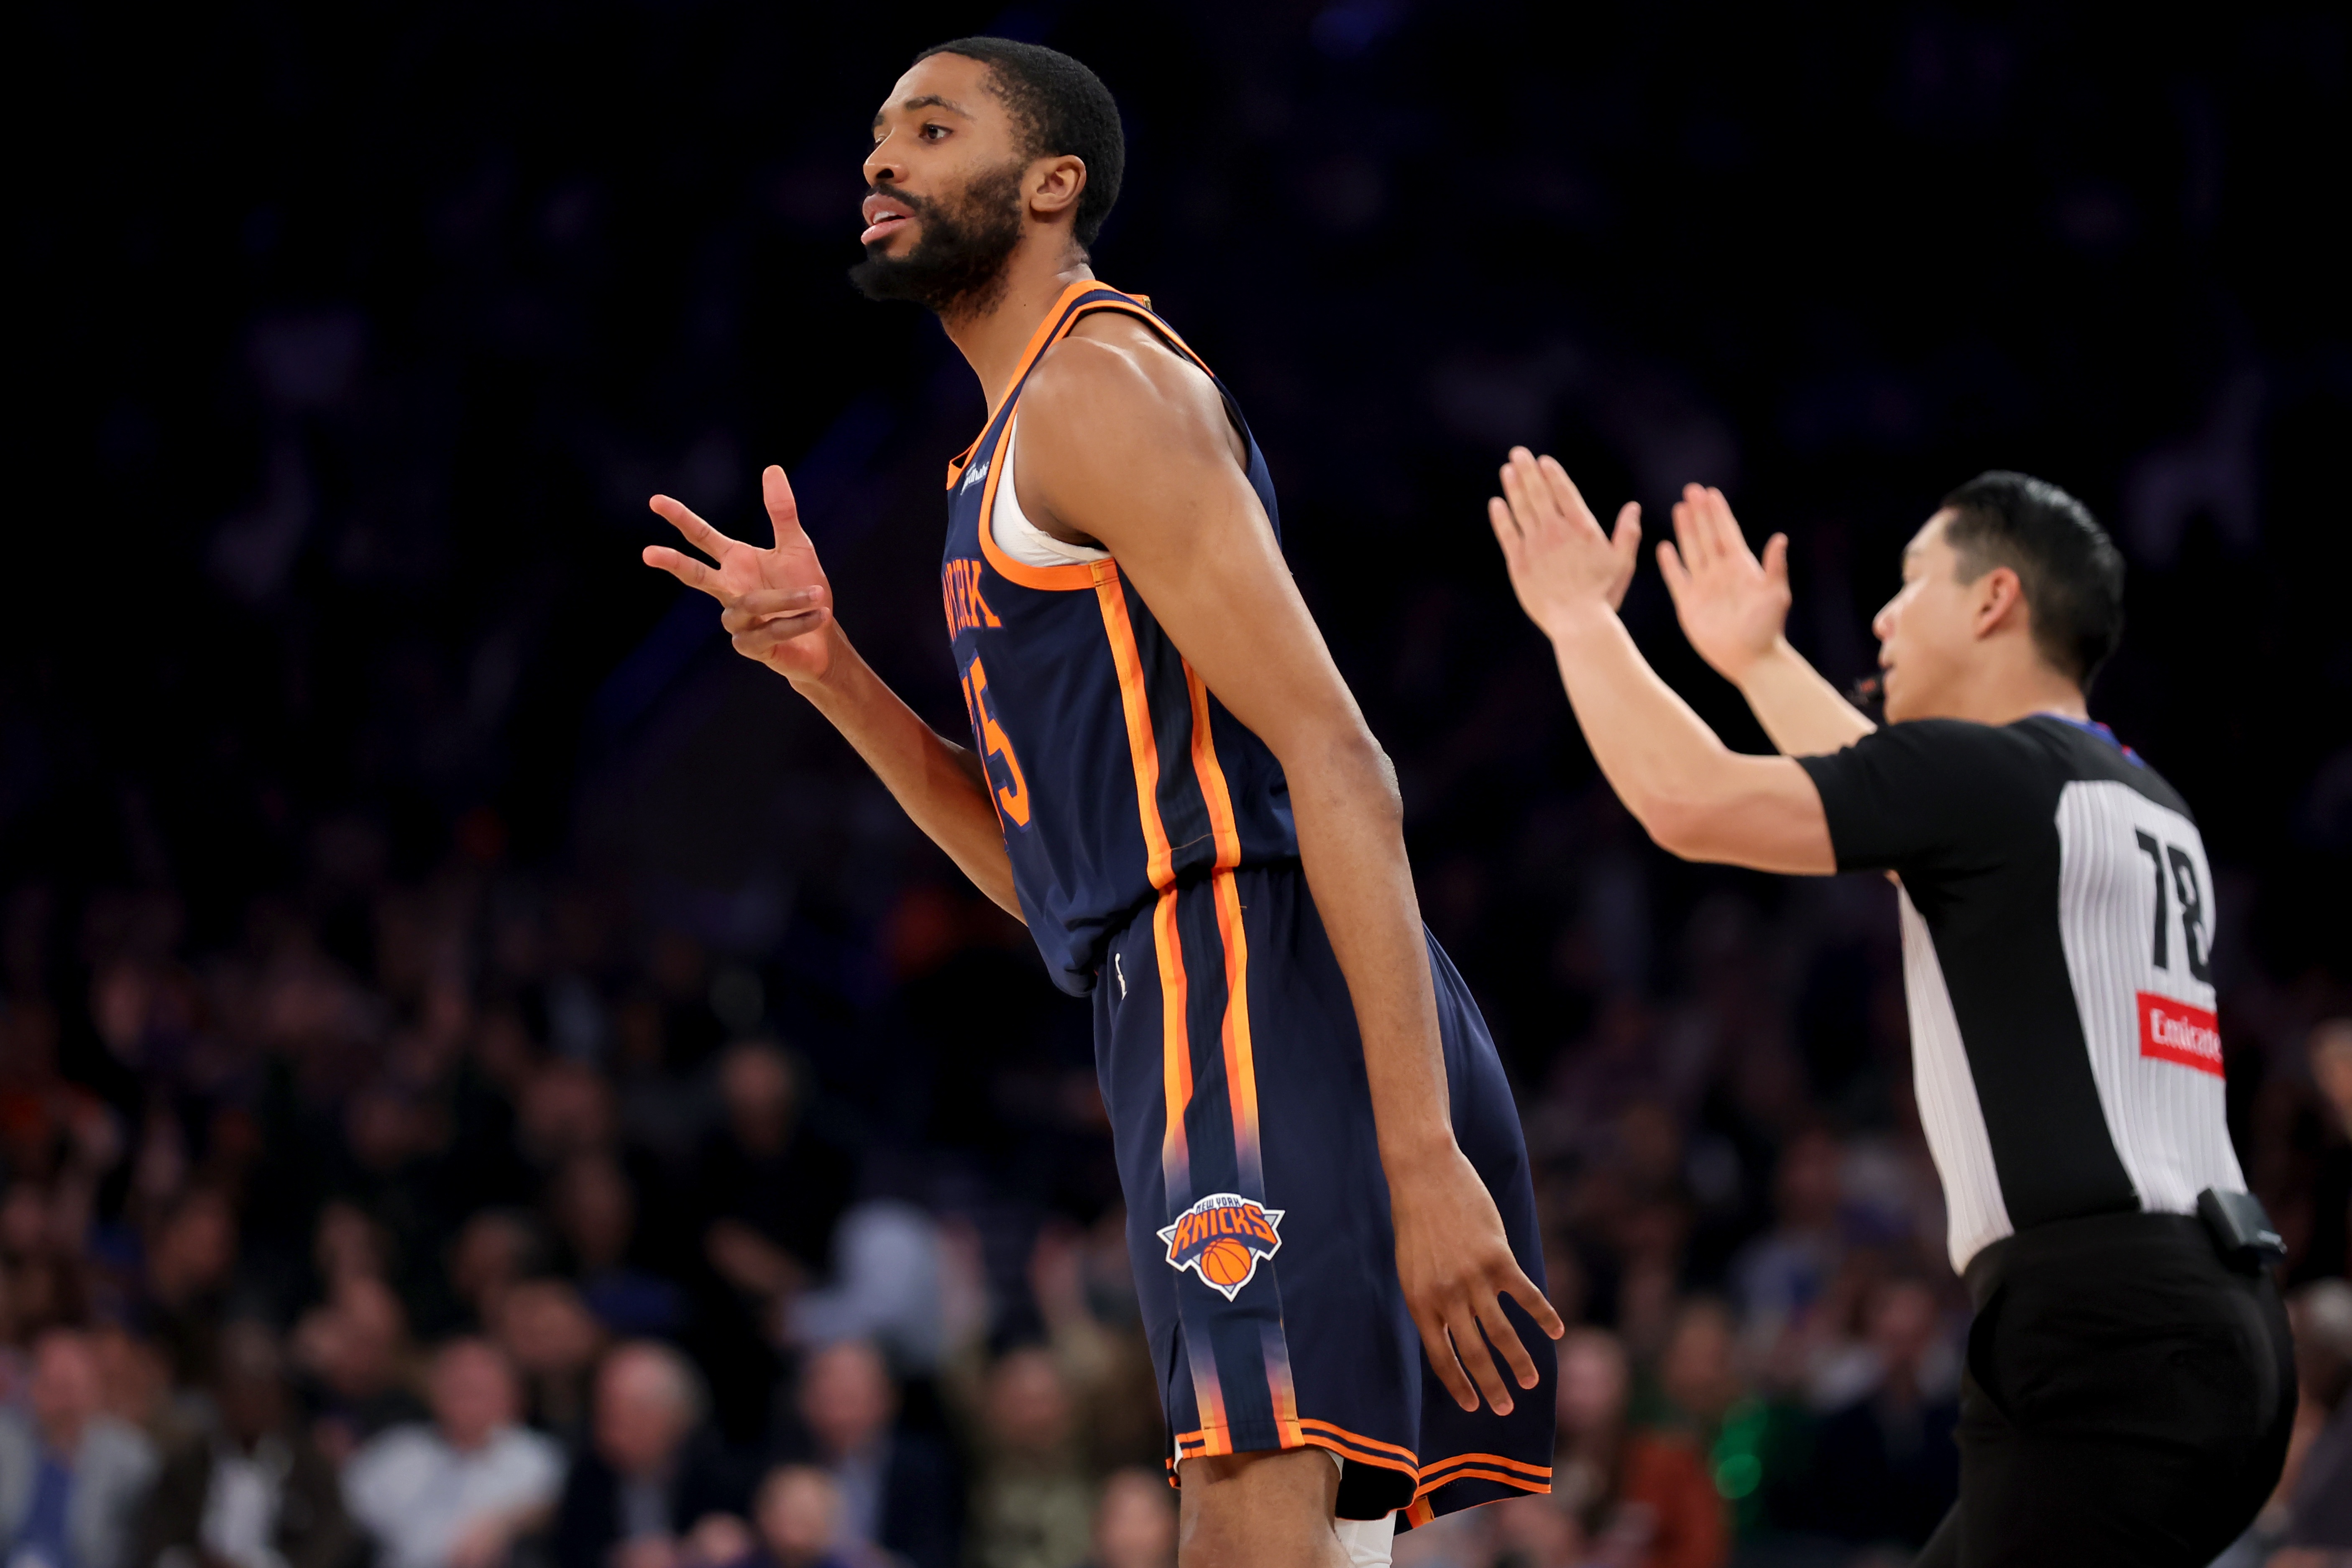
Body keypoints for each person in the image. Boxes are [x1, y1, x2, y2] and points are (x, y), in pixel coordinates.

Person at [639, 35, 1560, 1565]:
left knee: (1246, 1495)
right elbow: (1046, 874)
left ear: (1050, 184)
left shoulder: (1097, 388)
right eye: (877, 133)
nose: (881, 159)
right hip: (1187, 969)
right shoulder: (1002, 450)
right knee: (1304, 1528)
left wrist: (1420, 1151)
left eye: (933, 129)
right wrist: (829, 671)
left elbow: (1340, 757)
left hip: (1250, 967)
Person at [1485, 454, 2295, 1564]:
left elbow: (1687, 799)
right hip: (2222, 1321)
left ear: (1995, 597)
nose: (1883, 613)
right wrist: (1759, 660)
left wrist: (1579, 618)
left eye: (1914, 578)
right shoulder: (2135, 797)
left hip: (2101, 1333)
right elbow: (1901, 801)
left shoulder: (1995, 778)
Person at [136, 1322, 355, 1568]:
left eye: (259, 1389)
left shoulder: (312, 1471)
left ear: (279, 1395)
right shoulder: (186, 1468)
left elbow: (332, 1544)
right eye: (239, 1389)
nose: (249, 1402)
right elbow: (156, 1541)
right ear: (219, 1395)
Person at [342, 1338, 564, 1568]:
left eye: (478, 1391)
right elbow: (345, 1514)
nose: (467, 1403)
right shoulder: (395, 1452)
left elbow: (554, 1508)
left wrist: (506, 1524)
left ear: (511, 1396)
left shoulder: (536, 1456)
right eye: (457, 1388)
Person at [549, 1342, 744, 1568]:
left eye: (634, 1413)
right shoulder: (588, 1474)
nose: (610, 1427)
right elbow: (572, 1552)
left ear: (676, 1417)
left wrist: (690, 1552)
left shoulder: (719, 1472)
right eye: (605, 1410)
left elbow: (733, 1540)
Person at [0, 1328, 159, 1568]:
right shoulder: (8, 1437)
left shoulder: (130, 1456)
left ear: (93, 1392)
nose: (64, 1402)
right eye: (53, 1386)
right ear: (34, 1389)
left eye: (71, 1387)